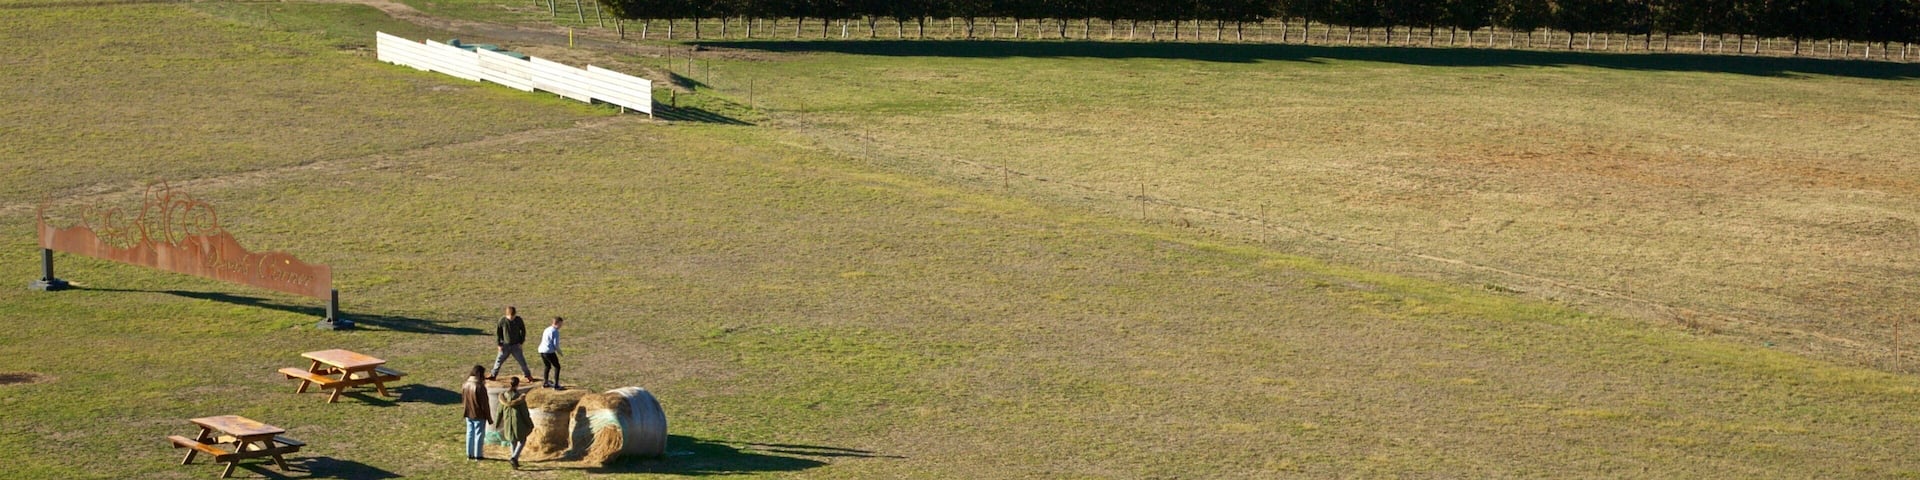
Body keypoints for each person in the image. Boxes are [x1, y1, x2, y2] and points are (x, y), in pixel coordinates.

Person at [494, 377, 533, 469]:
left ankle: (514, 461)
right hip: (518, 423)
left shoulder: (503, 398)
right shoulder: (520, 398)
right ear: (517, 384)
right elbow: (525, 413)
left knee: (512, 441)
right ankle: (514, 458)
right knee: (522, 440)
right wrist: (530, 424)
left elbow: (499, 412)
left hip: (508, 423)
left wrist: (497, 423)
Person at [489, 306, 532, 381]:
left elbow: (523, 331)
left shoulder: (519, 320)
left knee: (522, 361)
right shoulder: (502, 321)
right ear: (506, 315)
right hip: (505, 345)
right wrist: (499, 344)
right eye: (510, 317)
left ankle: (528, 375)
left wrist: (521, 342)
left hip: (516, 346)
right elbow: (499, 333)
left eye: (513, 317)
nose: (511, 318)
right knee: (498, 360)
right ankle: (493, 375)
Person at [460, 365, 491, 460]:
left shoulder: (465, 384)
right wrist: (488, 417)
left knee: (469, 433)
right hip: (479, 414)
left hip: (468, 412)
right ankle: (478, 455)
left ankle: (469, 454)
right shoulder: (480, 387)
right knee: (479, 435)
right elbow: (485, 404)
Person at [537, 317, 564, 389]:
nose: (561, 326)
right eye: (560, 324)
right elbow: (555, 345)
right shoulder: (555, 331)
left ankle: (545, 383)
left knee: (547, 366)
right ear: (557, 323)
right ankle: (556, 385)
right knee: (557, 367)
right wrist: (560, 352)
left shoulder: (547, 329)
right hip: (549, 352)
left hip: (542, 350)